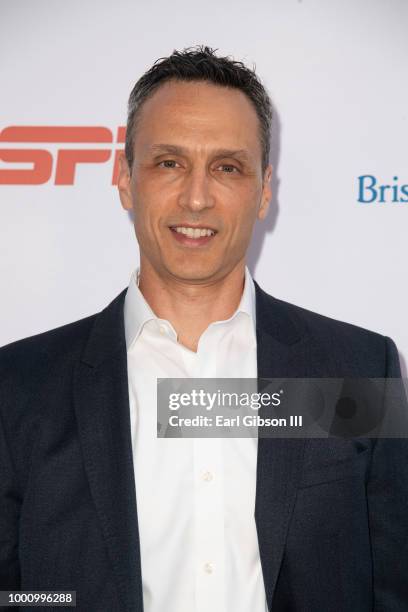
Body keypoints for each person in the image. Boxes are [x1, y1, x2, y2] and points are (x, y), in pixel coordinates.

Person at [0, 46, 407, 612]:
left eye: (227, 167)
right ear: (124, 179)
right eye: (169, 162)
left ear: (264, 190)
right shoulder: (17, 386)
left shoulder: (360, 367)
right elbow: (17, 594)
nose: (196, 197)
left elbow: (391, 584)